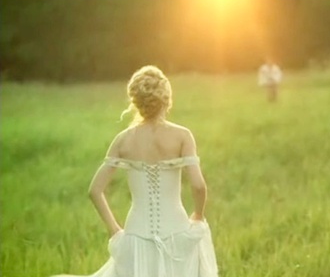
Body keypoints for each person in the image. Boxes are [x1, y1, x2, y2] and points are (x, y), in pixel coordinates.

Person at [51, 65, 218, 277]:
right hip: (177, 230)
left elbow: (95, 190)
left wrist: (114, 230)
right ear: (166, 99)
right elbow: (198, 185)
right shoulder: (182, 136)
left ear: (136, 102)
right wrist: (198, 216)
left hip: (135, 234)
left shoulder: (123, 140)